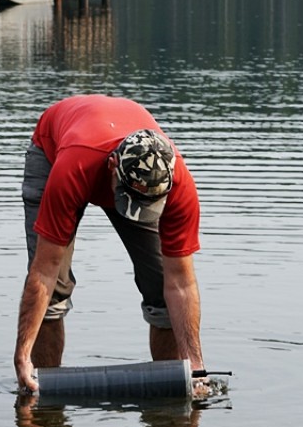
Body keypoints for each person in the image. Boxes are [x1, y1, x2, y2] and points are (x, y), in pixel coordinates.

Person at [14, 94, 205, 394]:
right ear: (113, 167)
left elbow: (181, 283)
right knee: (52, 296)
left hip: (125, 168)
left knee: (162, 293)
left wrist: (195, 366)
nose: (138, 212)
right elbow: (44, 273)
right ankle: (40, 393)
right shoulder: (72, 169)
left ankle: (169, 397)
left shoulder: (176, 184)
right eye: (134, 201)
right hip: (56, 154)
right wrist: (22, 356)